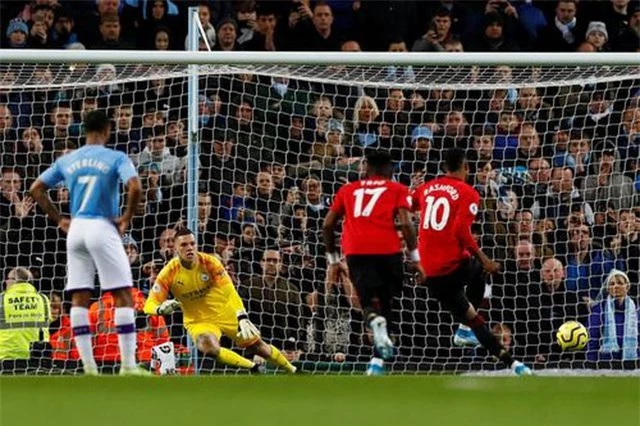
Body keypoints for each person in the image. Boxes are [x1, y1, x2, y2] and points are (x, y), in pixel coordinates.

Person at [29, 110, 143, 376]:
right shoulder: (116, 157)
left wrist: (60, 219)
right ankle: (128, 365)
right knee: (123, 295)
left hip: (76, 229)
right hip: (102, 226)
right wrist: (126, 217)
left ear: (84, 131)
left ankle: (89, 368)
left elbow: (36, 188)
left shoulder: (69, 159)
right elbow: (135, 186)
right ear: (107, 130)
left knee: (79, 297)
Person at [411, 147, 532, 376]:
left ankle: (516, 366)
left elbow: (407, 205)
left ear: (444, 167)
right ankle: (467, 330)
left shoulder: (426, 188)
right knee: (478, 269)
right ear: (466, 167)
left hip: (429, 272)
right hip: (451, 266)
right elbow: (460, 231)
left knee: (474, 319)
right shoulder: (468, 193)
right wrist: (484, 259)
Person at [322, 150, 424, 375]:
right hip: (388, 250)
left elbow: (328, 225)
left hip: (356, 252)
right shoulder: (397, 189)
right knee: (387, 303)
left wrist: (333, 260)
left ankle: (376, 360)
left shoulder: (347, 190)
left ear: (366, 168)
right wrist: (415, 258)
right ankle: (378, 361)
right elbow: (407, 224)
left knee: (367, 303)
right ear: (389, 169)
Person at [143, 228, 296, 374]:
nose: (189, 248)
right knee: (210, 349)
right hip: (198, 320)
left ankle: (293, 370)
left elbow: (229, 290)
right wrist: (159, 309)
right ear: (176, 249)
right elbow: (149, 304)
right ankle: (253, 367)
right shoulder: (169, 273)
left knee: (259, 347)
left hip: (225, 311)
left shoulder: (209, 262)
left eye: (192, 244)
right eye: (184, 245)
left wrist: (242, 316)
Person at [0, 267, 51, 372]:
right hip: (37, 359)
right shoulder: (43, 299)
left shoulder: (1, 300)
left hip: (6, 359)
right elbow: (48, 321)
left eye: (7, 279)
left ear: (13, 280)